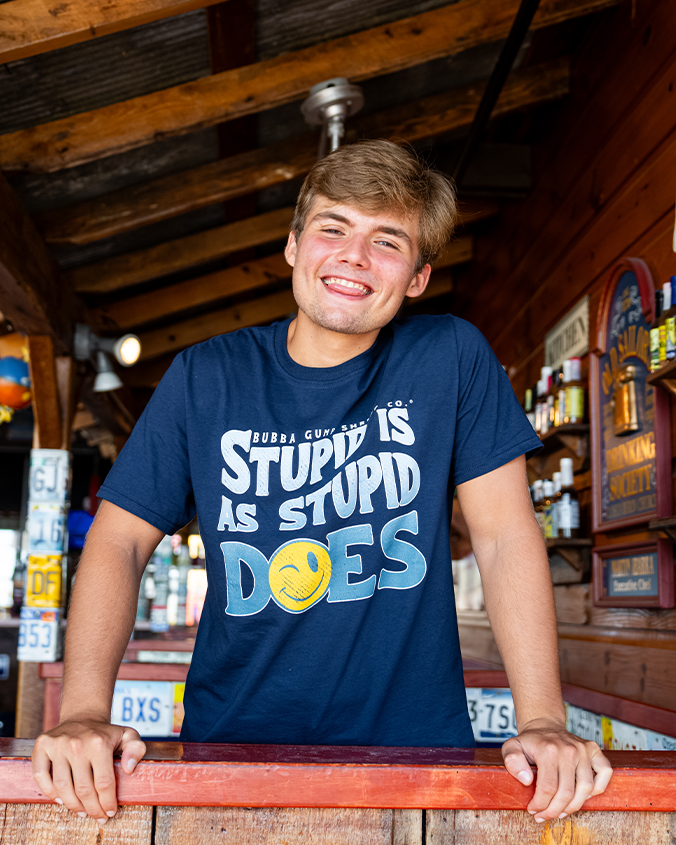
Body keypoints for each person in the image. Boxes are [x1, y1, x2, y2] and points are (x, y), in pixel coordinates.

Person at [32, 140, 612, 825]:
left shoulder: (449, 356)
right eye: (333, 227)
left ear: (419, 278)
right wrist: (84, 713)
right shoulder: (205, 376)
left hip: (416, 761)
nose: (354, 256)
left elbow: (506, 535)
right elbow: (121, 539)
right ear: (293, 245)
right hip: (233, 754)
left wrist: (543, 716)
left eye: (387, 240)